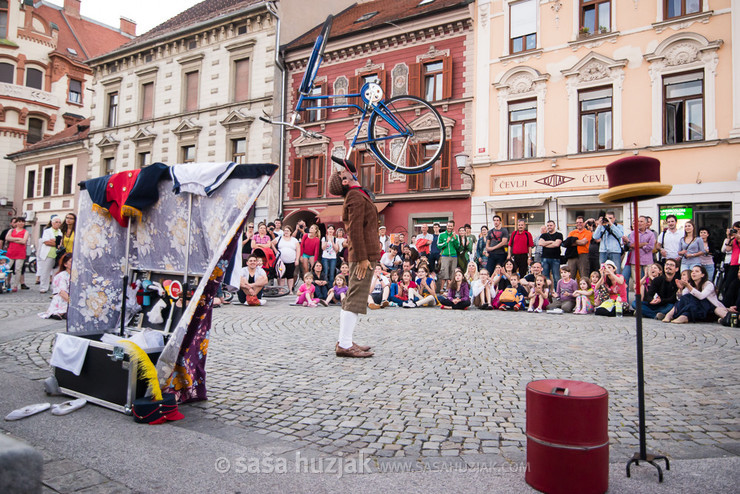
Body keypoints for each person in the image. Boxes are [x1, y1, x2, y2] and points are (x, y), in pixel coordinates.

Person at [328, 168, 379, 357]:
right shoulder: (355, 196)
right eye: (343, 172)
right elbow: (355, 230)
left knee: (352, 298)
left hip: (363, 254)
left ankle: (345, 340)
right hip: (362, 257)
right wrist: (363, 258)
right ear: (344, 181)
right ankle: (345, 344)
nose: (347, 171)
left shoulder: (356, 194)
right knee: (355, 300)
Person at [663, 265, 727, 323]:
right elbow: (682, 298)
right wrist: (680, 289)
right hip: (696, 308)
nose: (693, 273)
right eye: (692, 271)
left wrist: (688, 286)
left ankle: (678, 316)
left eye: (697, 271)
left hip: (709, 308)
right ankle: (671, 315)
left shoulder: (708, 284)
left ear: (702, 275)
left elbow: (701, 296)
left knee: (692, 298)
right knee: (688, 298)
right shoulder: (691, 284)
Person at [622, 216, 655, 304]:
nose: (639, 223)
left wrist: (639, 245)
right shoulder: (633, 233)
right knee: (637, 283)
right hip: (635, 261)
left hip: (647, 261)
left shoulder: (651, 234)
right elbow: (632, 245)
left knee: (648, 282)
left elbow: (650, 247)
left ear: (646, 223)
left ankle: (647, 301)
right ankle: (637, 303)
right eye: (638, 221)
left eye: (641, 221)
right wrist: (644, 244)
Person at [39, 253, 73, 320]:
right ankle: (59, 313)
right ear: (65, 264)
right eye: (71, 262)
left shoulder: (78, 275)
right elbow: (62, 292)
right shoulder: (61, 276)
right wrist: (73, 302)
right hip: (63, 299)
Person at [39, 216, 63, 294]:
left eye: (59, 222)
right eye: (56, 222)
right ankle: (43, 287)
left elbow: (61, 244)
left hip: (57, 255)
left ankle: (54, 287)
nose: (58, 224)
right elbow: (46, 242)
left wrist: (54, 241)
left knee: (56, 272)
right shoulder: (47, 231)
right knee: (45, 271)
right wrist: (56, 242)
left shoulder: (61, 232)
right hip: (48, 254)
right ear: (52, 222)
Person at [273, 225, 301, 293]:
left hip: (291, 260)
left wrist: (297, 259)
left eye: (287, 231)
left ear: (291, 232)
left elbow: (298, 249)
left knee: (290, 276)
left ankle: (290, 290)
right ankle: (281, 290)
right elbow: (272, 243)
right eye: (285, 230)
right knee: (281, 275)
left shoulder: (294, 240)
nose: (286, 232)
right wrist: (275, 251)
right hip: (281, 261)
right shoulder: (279, 238)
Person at [5, 217, 29, 293]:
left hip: (20, 252)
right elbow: (7, 238)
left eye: (23, 222)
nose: (21, 223)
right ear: (17, 223)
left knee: (18, 269)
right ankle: (6, 283)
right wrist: (18, 239)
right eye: (19, 222)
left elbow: (24, 241)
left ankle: (15, 285)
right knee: (7, 268)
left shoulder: (26, 231)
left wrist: (13, 239)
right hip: (11, 252)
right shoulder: (11, 230)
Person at [437, 220, 460, 294]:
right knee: (444, 272)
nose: (449, 227)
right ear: (446, 226)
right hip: (445, 256)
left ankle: (449, 289)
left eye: (451, 226)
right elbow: (438, 245)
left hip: (454, 256)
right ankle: (441, 289)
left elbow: (457, 247)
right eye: (448, 226)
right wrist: (446, 242)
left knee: (452, 273)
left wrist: (455, 240)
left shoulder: (456, 236)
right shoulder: (442, 235)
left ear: (453, 227)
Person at [567, 217, 592, 281]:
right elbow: (568, 242)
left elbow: (584, 242)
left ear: (584, 223)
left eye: (580, 222)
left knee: (584, 275)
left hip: (583, 255)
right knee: (570, 275)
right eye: (577, 222)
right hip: (572, 256)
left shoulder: (588, 232)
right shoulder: (572, 233)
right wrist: (579, 241)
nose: (579, 224)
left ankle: (584, 290)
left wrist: (573, 241)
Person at [539, 220, 563, 287]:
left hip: (555, 258)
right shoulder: (544, 235)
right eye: (548, 226)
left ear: (554, 226)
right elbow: (540, 243)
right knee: (545, 277)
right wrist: (551, 241)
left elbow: (556, 244)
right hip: (545, 258)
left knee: (556, 277)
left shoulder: (559, 235)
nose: (549, 227)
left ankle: (557, 293)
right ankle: (547, 293)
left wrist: (545, 244)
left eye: (551, 225)